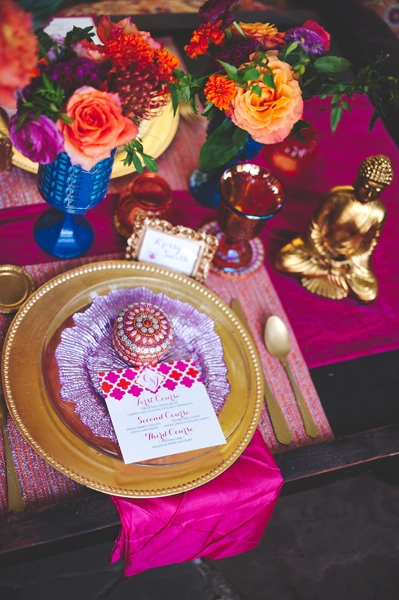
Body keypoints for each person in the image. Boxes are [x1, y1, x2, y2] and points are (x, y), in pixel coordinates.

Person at [275, 155, 393, 302]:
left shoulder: (378, 213)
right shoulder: (337, 197)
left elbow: (367, 246)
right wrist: (321, 253)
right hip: (319, 251)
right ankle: (331, 273)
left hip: (348, 261)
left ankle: (325, 273)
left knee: (369, 293)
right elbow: (314, 229)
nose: (369, 194)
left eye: (377, 190)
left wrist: (346, 261)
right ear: (357, 181)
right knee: (284, 260)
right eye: (366, 187)